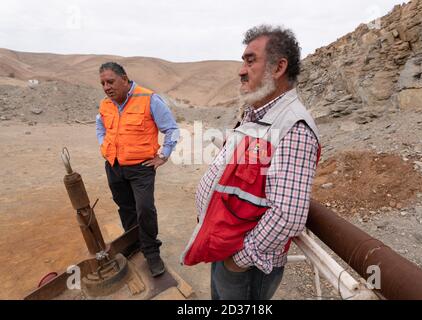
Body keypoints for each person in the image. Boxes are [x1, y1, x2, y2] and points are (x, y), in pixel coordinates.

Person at [182, 25, 321, 300]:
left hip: (246, 266)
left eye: (250, 60)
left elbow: (287, 215)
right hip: (223, 247)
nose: (241, 70)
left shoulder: (294, 127)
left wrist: (238, 260)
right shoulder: (256, 114)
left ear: (278, 67)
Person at [96, 62, 179, 277]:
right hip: (114, 166)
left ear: (124, 79)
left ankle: (151, 253)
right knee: (125, 207)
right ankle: (133, 244)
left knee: (145, 210)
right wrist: (103, 146)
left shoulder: (149, 99)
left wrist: (164, 155)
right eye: (103, 83)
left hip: (141, 168)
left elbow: (171, 129)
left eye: (110, 82)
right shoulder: (105, 104)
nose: (106, 87)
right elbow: (100, 126)